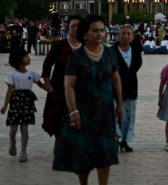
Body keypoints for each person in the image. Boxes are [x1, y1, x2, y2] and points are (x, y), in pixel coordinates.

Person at [53, 15, 123, 185]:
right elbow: (69, 85)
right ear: (85, 33)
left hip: (105, 112)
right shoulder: (76, 57)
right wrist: (73, 110)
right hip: (83, 112)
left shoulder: (109, 54)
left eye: (102, 30)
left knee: (105, 152)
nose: (100, 34)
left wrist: (119, 104)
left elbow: (116, 79)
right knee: (83, 152)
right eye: (95, 30)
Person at [0, 48, 50, 162]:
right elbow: (9, 91)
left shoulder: (32, 74)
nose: (28, 58)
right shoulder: (12, 74)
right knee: (13, 128)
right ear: (19, 60)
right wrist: (5, 105)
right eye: (26, 56)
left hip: (27, 102)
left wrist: (50, 90)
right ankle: (12, 142)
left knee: (24, 127)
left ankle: (23, 152)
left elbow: (41, 85)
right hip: (16, 101)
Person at [42, 15, 83, 146]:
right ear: (68, 28)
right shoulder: (60, 45)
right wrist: (47, 83)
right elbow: (47, 64)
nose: (75, 29)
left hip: (80, 89)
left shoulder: (87, 47)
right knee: (58, 115)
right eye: (73, 26)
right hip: (59, 87)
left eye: (79, 26)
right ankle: (58, 141)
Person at [112, 25, 142, 153]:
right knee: (115, 114)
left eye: (128, 34)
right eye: (123, 33)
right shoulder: (112, 51)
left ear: (132, 37)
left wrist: (128, 73)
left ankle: (124, 140)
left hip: (131, 87)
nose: (125, 36)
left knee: (129, 116)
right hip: (114, 88)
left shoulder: (135, 50)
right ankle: (114, 140)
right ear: (118, 36)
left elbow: (137, 64)